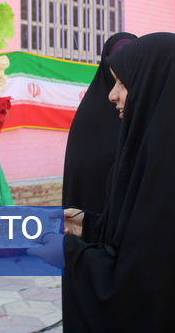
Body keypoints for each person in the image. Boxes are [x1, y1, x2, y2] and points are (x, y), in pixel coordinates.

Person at [57, 33, 175, 332]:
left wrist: (65, 250)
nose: (112, 94)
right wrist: (87, 225)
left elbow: (138, 287)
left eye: (123, 83)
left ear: (155, 87)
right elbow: (142, 238)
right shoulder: (172, 158)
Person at [62, 32, 137, 213]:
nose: (114, 96)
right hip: (94, 207)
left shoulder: (150, 110)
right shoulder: (91, 111)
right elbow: (79, 171)